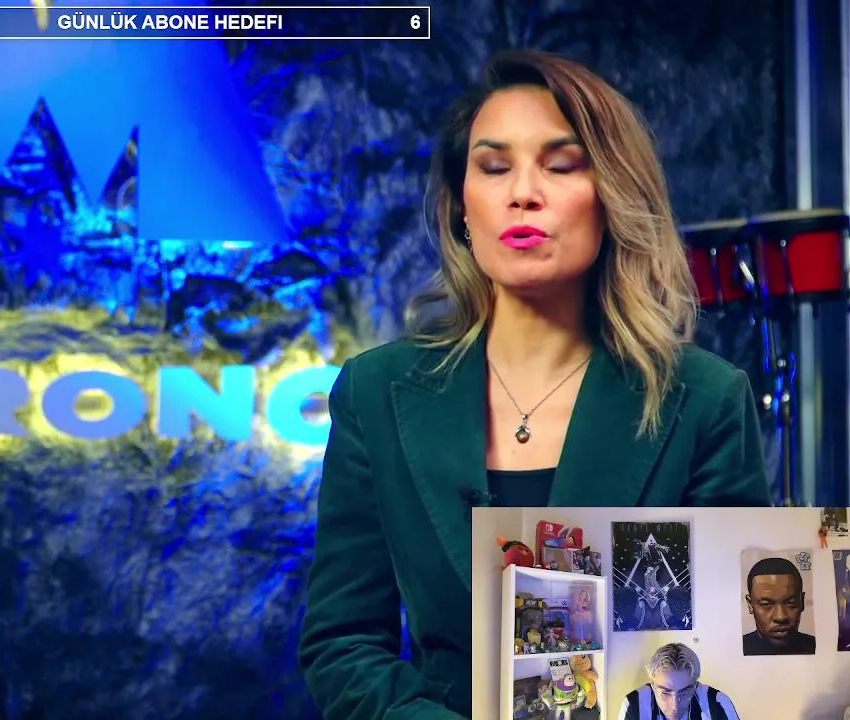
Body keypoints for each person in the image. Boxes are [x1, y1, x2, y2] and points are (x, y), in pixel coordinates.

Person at [298, 49, 771, 720]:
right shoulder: (374, 392)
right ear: (461, 209)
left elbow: (730, 655)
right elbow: (343, 644)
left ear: (612, 196)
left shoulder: (704, 398)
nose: (523, 192)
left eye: (561, 165)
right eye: (494, 168)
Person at [617, 643, 741, 720]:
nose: (675, 706)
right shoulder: (633, 704)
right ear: (652, 685)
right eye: (665, 692)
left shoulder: (717, 703)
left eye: (685, 692)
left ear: (695, 685)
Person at [742, 557, 816, 655]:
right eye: (766, 604)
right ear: (750, 605)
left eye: (791, 603)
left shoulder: (818, 647)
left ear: (801, 602)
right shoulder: (736, 649)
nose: (780, 617)